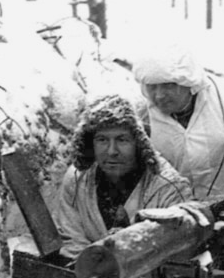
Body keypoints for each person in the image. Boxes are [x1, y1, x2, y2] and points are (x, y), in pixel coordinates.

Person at [55, 95, 193, 258]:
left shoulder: (168, 188)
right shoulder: (77, 178)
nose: (112, 151)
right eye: (102, 140)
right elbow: (70, 239)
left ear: (139, 143)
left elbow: (180, 249)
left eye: (122, 140)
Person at [132, 43, 224, 199]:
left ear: (188, 82)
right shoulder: (140, 115)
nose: (159, 95)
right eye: (152, 87)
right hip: (173, 214)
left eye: (168, 86)